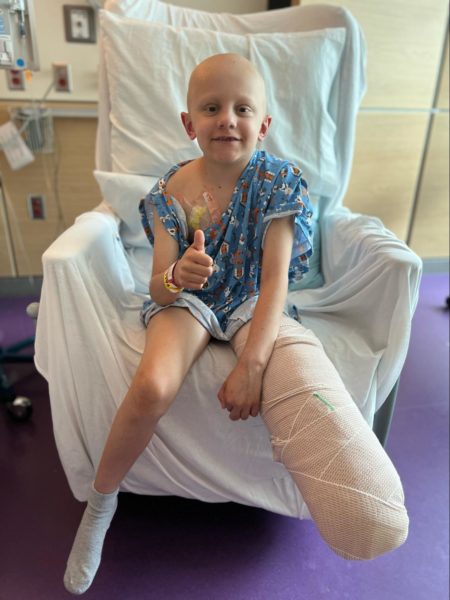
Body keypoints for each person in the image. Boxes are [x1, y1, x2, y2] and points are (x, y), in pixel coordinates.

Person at [63, 53, 409, 595]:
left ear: (263, 125)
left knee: (294, 362)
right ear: (189, 124)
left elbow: (275, 285)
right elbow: (156, 286)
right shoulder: (170, 192)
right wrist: (177, 274)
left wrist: (253, 365)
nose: (227, 118)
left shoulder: (277, 182)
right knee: (152, 386)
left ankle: (362, 496)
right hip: (191, 299)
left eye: (242, 108)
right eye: (211, 108)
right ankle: (100, 505)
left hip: (251, 296)